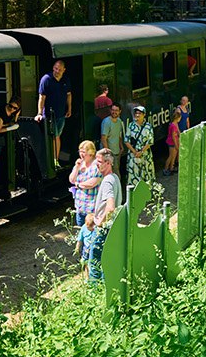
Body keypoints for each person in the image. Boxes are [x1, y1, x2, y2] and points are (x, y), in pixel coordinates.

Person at [82, 149, 120, 282]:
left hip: (103, 229)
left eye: (99, 162)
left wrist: (99, 222)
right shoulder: (115, 178)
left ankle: (94, 291)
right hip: (111, 228)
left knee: (95, 263)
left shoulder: (108, 181)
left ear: (108, 163)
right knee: (106, 262)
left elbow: (110, 208)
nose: (96, 165)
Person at [36, 60, 72, 166]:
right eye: (56, 68)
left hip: (61, 114)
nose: (57, 71)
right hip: (49, 115)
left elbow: (69, 94)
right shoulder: (46, 79)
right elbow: (41, 98)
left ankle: (54, 160)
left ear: (64, 70)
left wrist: (69, 108)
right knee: (55, 137)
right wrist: (39, 113)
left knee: (57, 136)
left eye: (59, 69)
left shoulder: (66, 79)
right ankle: (54, 161)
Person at [68, 141, 103, 230]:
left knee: (91, 232)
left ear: (91, 153)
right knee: (81, 232)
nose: (81, 154)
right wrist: (76, 167)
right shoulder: (80, 164)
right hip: (80, 206)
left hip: (92, 208)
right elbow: (71, 180)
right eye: (80, 151)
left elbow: (92, 183)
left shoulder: (97, 166)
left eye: (84, 152)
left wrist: (78, 185)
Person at [124, 106, 154, 186]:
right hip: (133, 155)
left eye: (139, 113)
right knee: (134, 175)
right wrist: (135, 152)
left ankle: (147, 194)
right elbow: (126, 140)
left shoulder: (148, 126)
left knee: (146, 174)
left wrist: (141, 151)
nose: (137, 115)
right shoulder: (131, 126)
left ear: (144, 115)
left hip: (145, 155)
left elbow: (150, 141)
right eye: (136, 113)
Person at [0, 100, 20, 180]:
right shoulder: (2, 113)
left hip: (0, 138)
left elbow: (13, 122)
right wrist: (10, 128)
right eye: (10, 106)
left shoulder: (13, 113)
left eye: (15, 108)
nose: (12, 109)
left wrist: (16, 116)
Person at [100, 104, 125, 176]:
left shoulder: (119, 121)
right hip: (109, 153)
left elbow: (119, 135)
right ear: (110, 110)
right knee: (114, 174)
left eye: (116, 110)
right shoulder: (107, 122)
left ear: (120, 111)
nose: (114, 112)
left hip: (117, 152)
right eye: (113, 110)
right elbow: (103, 138)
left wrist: (121, 146)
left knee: (116, 171)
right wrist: (108, 153)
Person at [162, 112, 180, 176]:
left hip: (173, 142)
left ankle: (171, 168)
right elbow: (173, 136)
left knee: (174, 156)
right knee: (171, 156)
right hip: (172, 143)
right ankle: (165, 169)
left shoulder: (174, 124)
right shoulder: (173, 126)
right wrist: (176, 145)